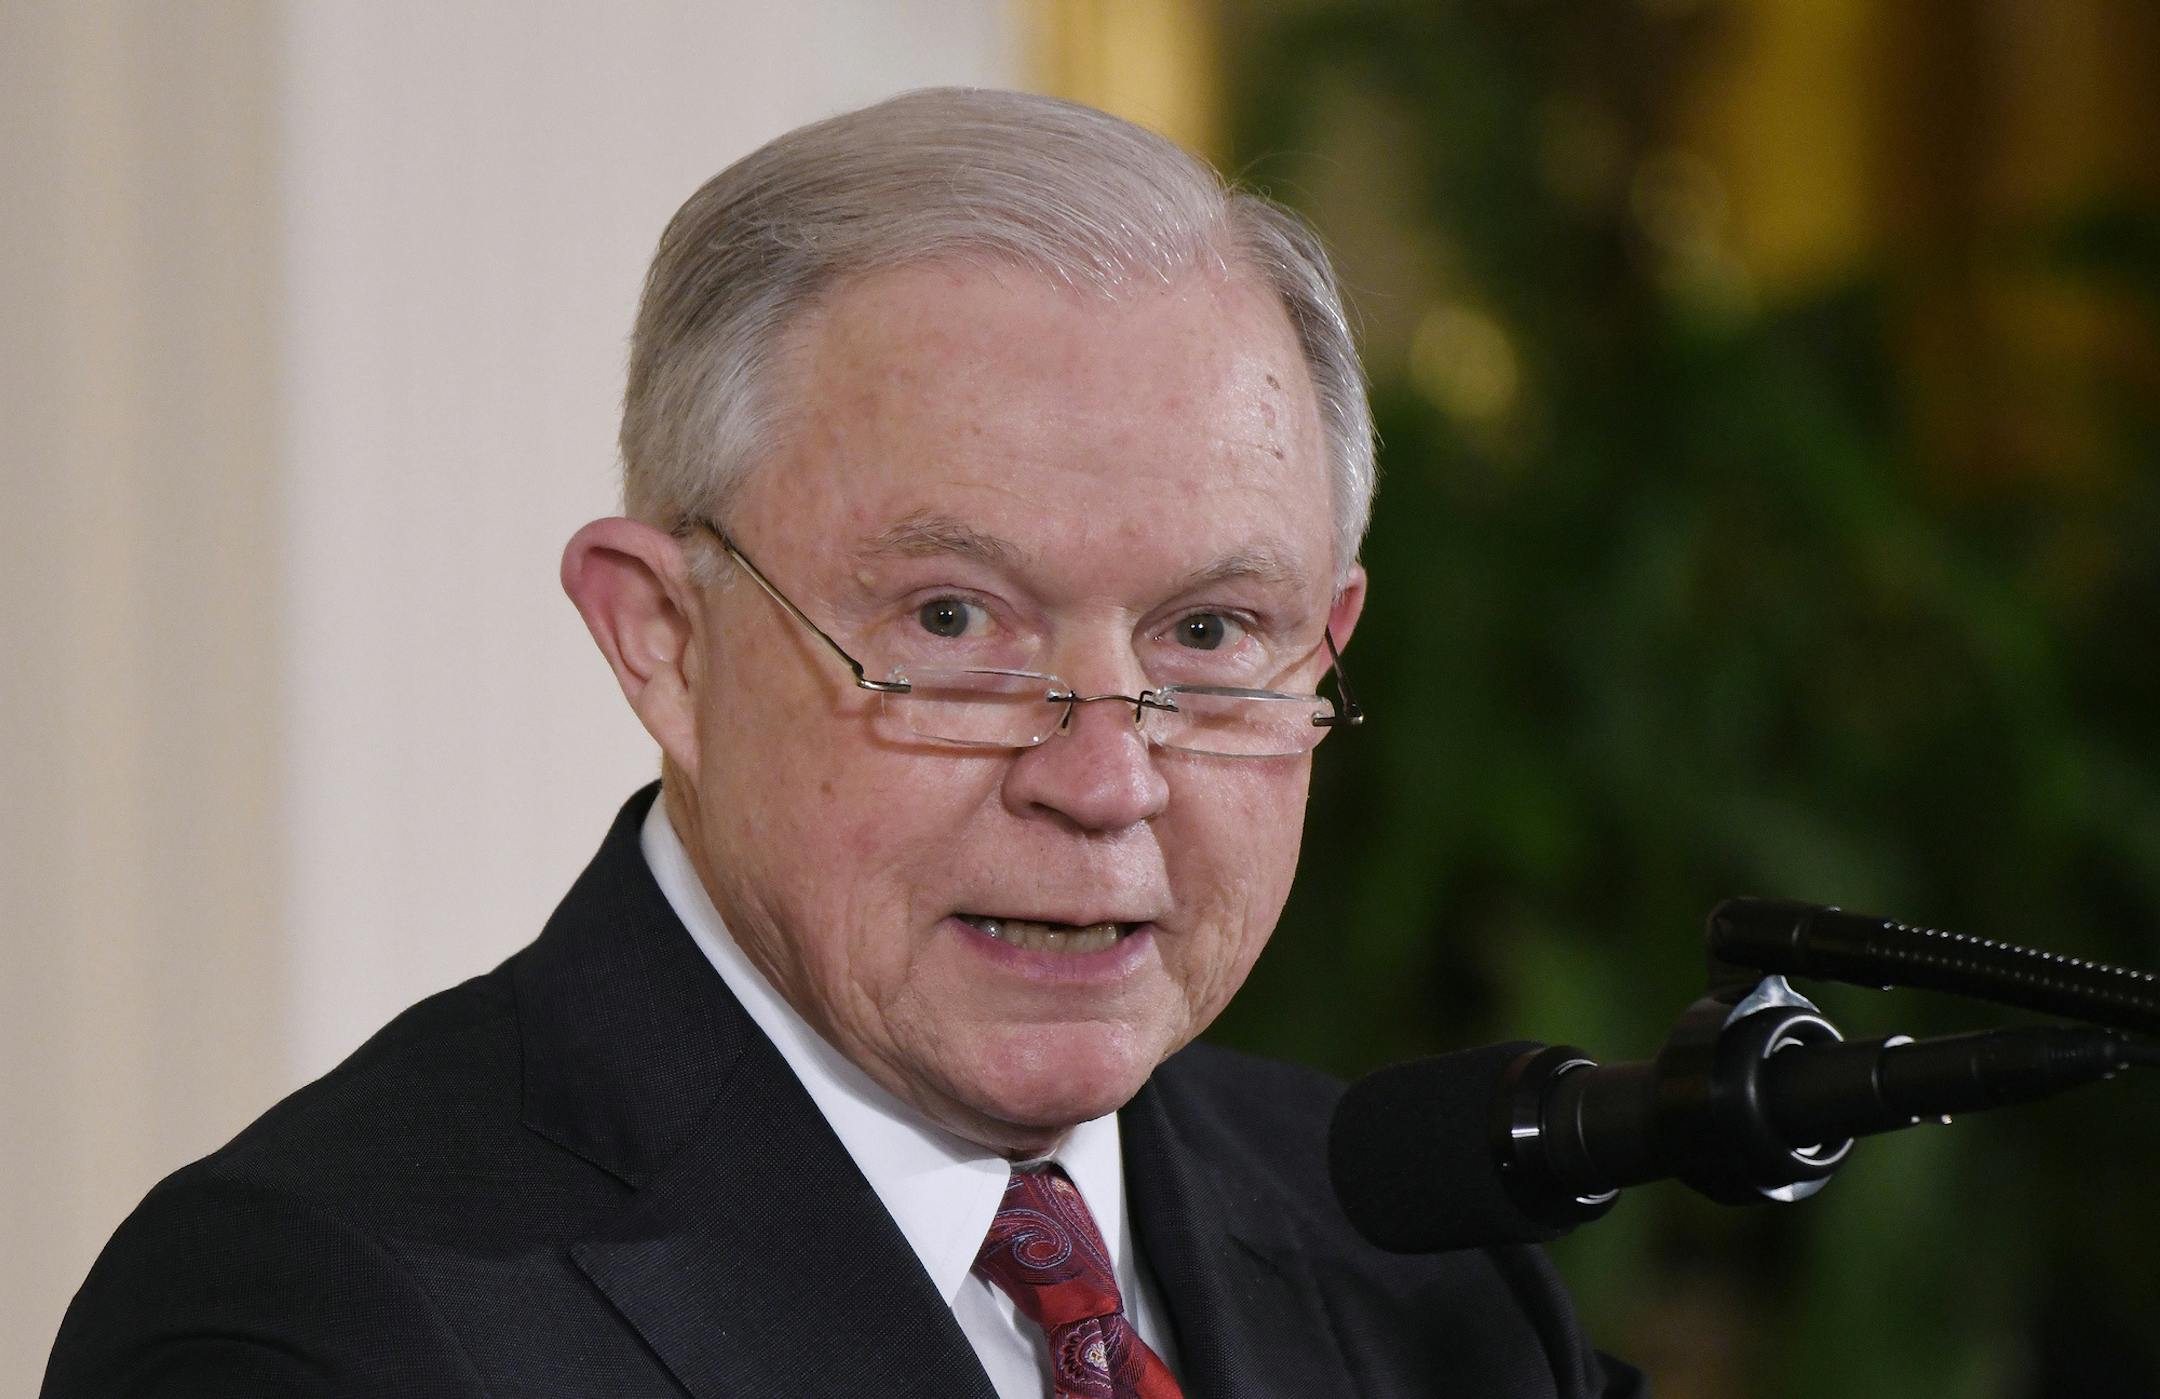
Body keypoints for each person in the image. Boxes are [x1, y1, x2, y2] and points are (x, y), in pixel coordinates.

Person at [44, 89, 1642, 1398]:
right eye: (953, 621)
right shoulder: (322, 1321)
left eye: (1212, 636)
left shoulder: (1419, 1261)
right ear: (664, 642)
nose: (1104, 781)